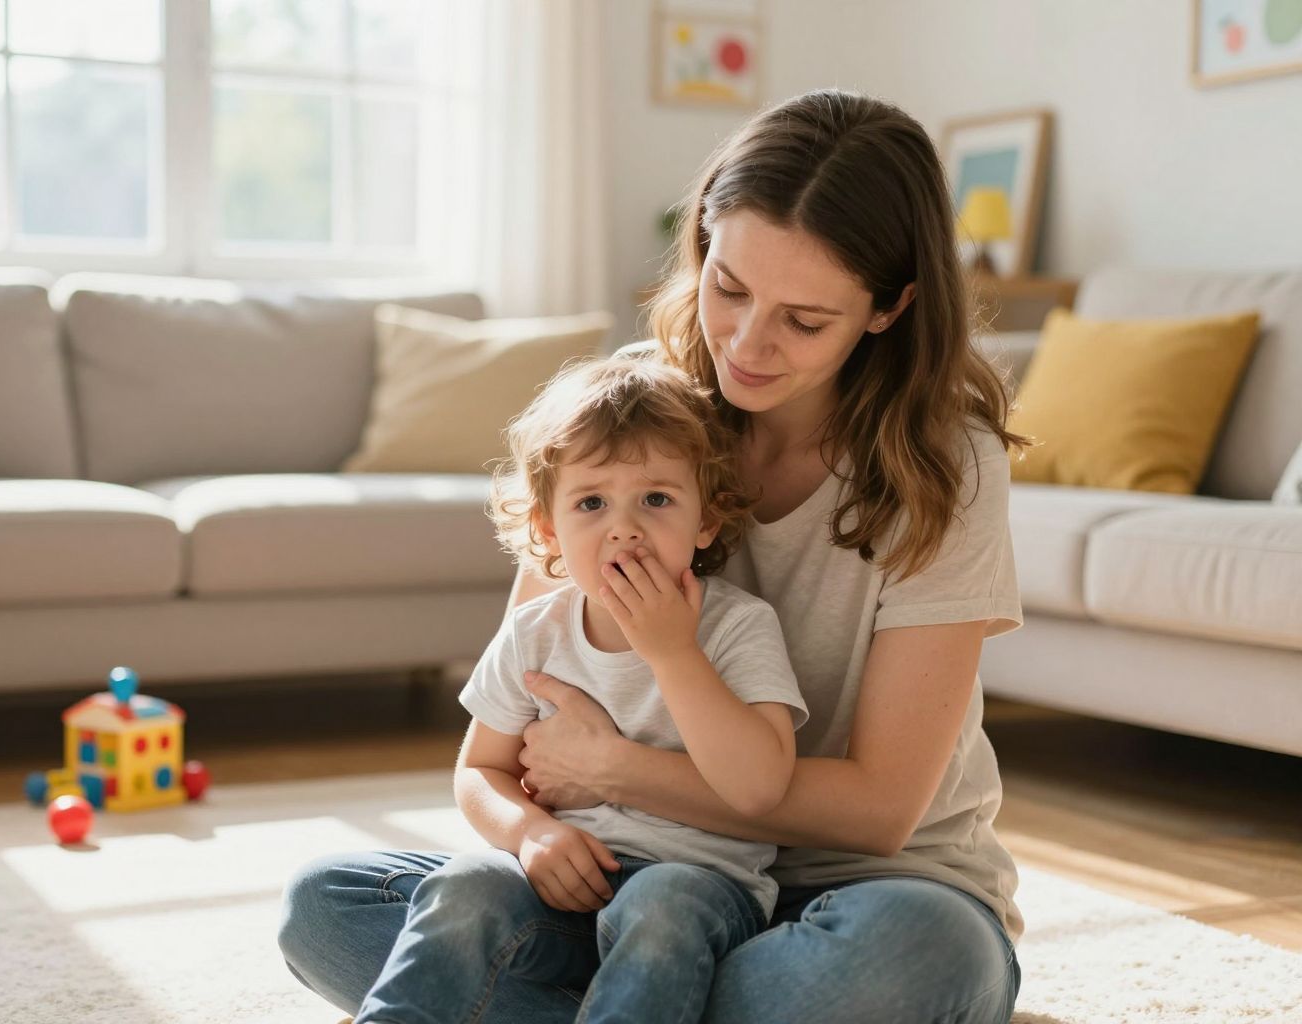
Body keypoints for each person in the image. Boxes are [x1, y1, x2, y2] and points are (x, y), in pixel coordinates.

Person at [278, 87, 1027, 1023]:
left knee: (916, 958)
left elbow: (880, 812)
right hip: (623, 880)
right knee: (326, 904)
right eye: (731, 288)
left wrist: (614, 770)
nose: (748, 345)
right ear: (703, 247)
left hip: (868, 889)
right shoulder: (635, 425)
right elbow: (521, 723)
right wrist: (542, 831)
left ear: (887, 309)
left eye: (804, 319)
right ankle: (645, 1000)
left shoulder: (943, 461)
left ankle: (628, 1001)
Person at [350, 356, 807, 1024]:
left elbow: (761, 788)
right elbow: (481, 771)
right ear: (547, 529)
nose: (623, 528)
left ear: (705, 520)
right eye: (591, 503)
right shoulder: (536, 630)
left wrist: (673, 653)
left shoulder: (739, 627)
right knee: (461, 885)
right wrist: (531, 834)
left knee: (663, 902)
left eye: (656, 499)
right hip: (562, 891)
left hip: (698, 897)